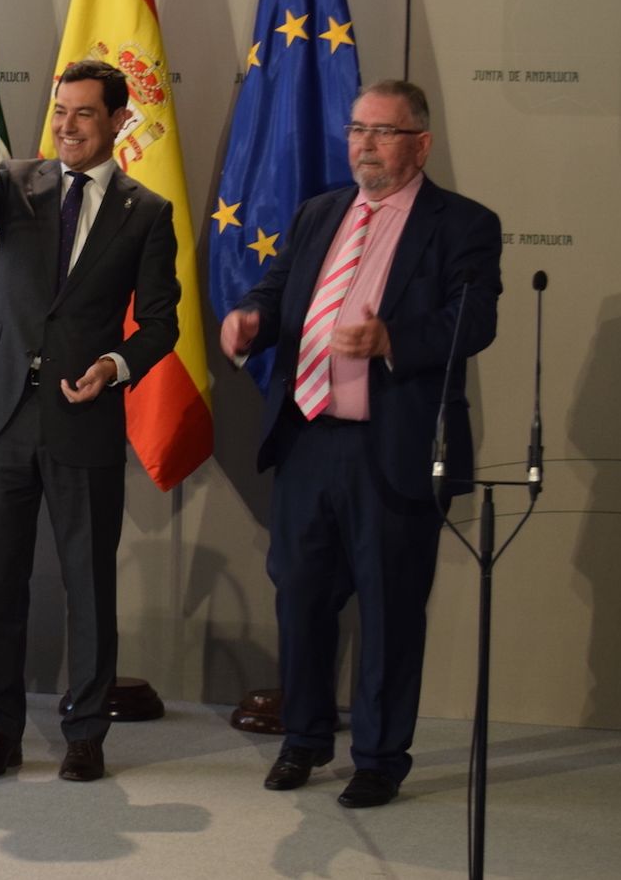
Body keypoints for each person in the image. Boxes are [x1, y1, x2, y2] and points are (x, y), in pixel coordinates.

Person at [0, 60, 179, 782]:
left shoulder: (148, 211)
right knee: (0, 581)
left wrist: (114, 365)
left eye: (84, 113)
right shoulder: (19, 182)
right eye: (60, 111)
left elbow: (162, 324)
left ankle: (85, 733)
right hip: (1, 411)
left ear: (118, 121)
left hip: (84, 415)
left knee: (87, 583)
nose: (68, 126)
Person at [219, 80, 501, 808]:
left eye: (382, 132)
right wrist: (251, 318)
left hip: (393, 444)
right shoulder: (321, 212)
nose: (364, 144)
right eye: (357, 129)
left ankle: (379, 757)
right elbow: (278, 292)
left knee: (389, 606)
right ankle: (304, 740)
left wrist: (390, 340)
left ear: (420, 145)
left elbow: (474, 322)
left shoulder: (462, 224)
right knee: (302, 597)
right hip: (310, 437)